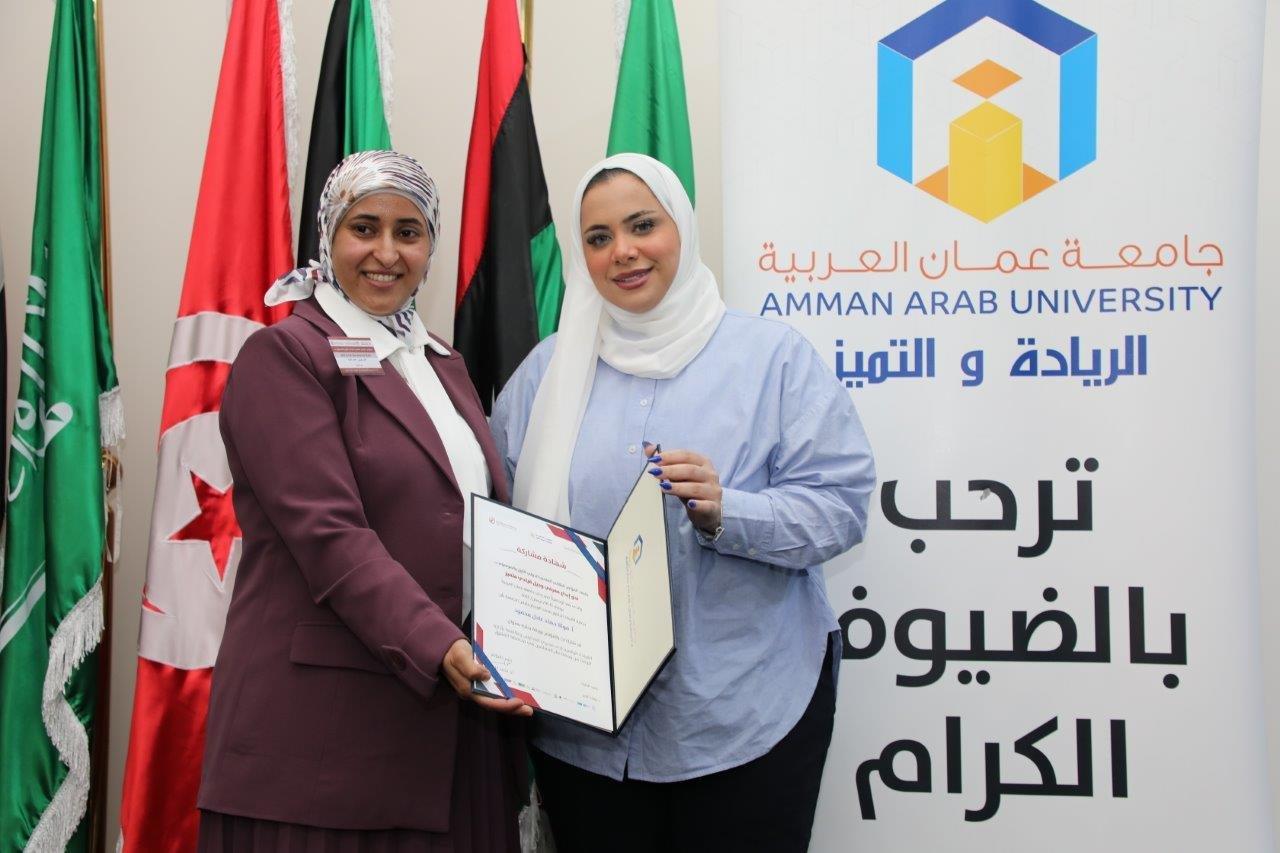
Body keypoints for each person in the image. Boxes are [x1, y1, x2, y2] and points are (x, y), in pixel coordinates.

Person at [489, 153, 876, 852]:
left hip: (741, 715)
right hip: (584, 730)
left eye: (643, 225)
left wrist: (729, 512)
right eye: (599, 237)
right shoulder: (546, 373)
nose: (623, 251)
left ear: (683, 229)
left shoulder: (772, 360)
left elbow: (840, 507)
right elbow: (499, 520)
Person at [198, 150, 531, 852]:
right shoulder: (286, 355)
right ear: (329, 235)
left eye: (409, 232)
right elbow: (330, 535)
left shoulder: (440, 361)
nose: (386, 252)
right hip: (324, 739)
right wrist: (441, 643)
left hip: (449, 728)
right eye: (364, 228)